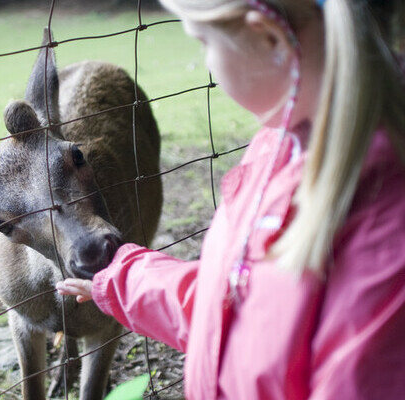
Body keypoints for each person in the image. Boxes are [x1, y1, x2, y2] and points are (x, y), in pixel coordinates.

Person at [57, 0, 405, 398]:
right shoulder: (278, 147)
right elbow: (231, 304)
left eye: (204, 41)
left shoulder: (385, 227)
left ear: (270, 38)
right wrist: (123, 278)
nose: (206, 59)